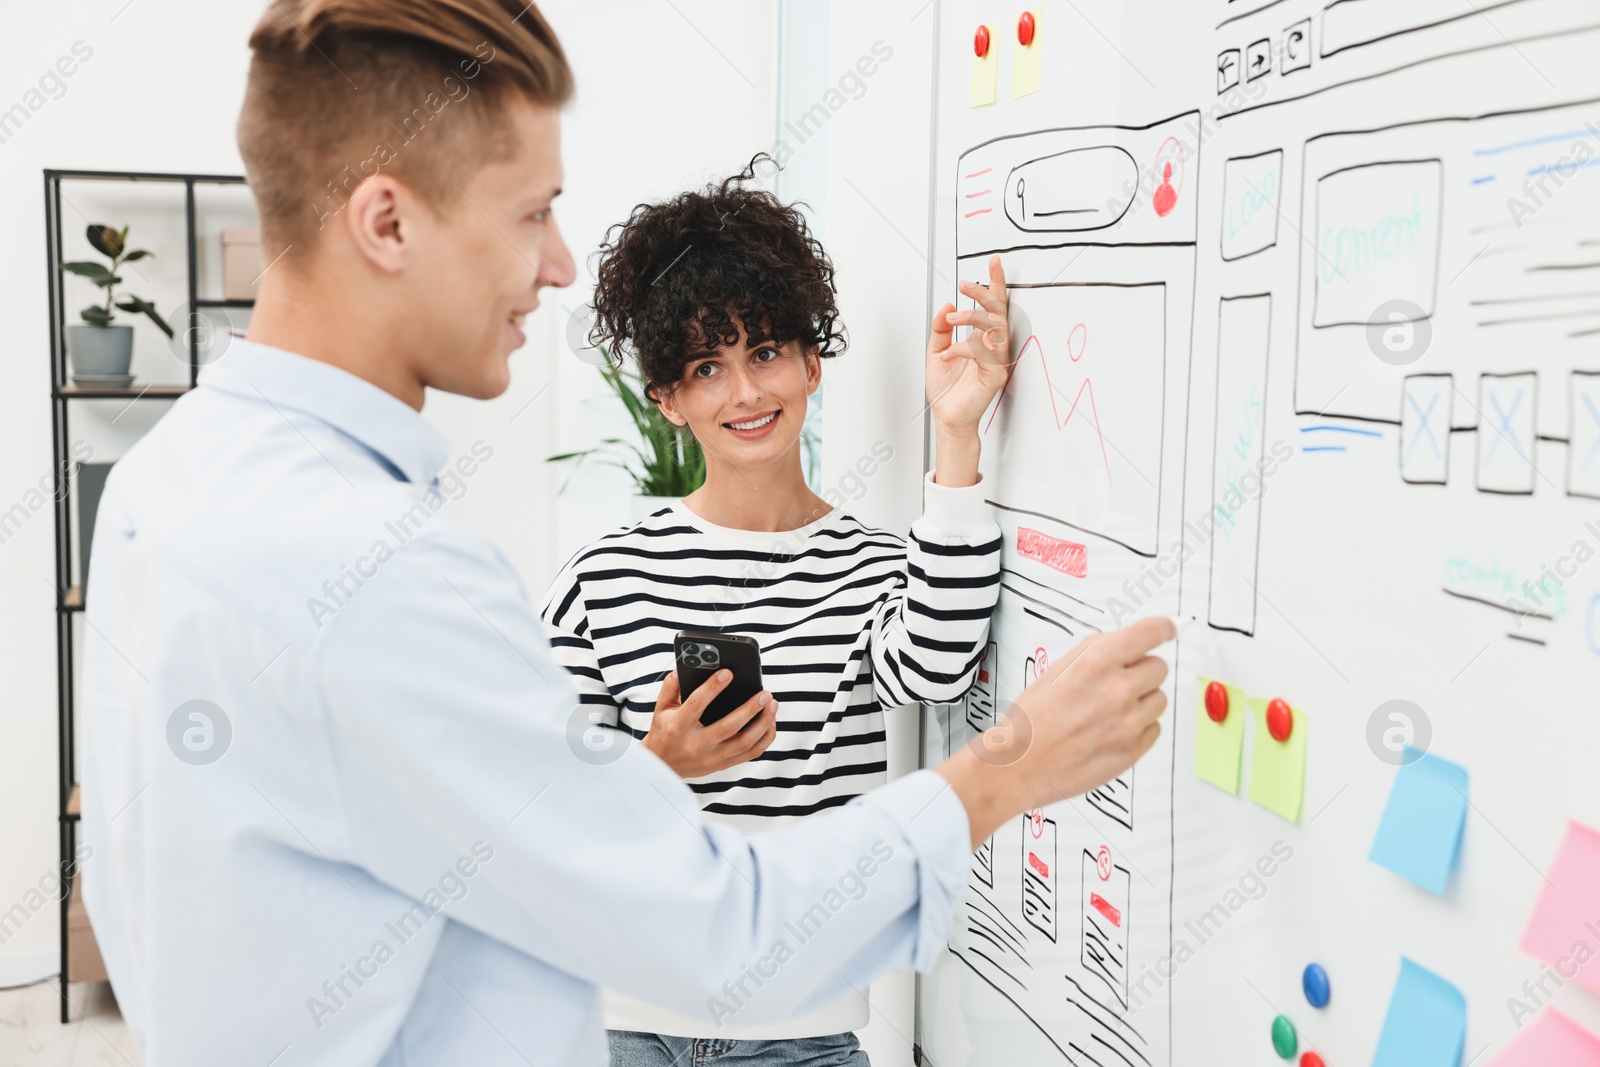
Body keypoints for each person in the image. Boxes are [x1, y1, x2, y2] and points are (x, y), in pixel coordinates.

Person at [77, 2, 1174, 1064]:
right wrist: (1010, 761)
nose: (556, 263)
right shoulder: (378, 574)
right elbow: (718, 928)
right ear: (386, 221)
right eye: (530, 212)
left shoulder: (161, 480)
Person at [540, 163, 1013, 1066]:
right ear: (668, 400)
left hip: (799, 1033)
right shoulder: (606, 573)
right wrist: (656, 764)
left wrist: (957, 434)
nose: (746, 393)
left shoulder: (873, 566)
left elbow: (940, 663)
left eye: (765, 353)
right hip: (619, 1026)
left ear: (810, 362)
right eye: (706, 368)